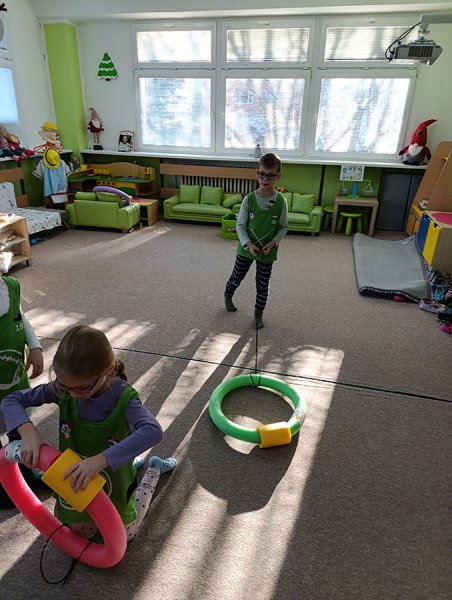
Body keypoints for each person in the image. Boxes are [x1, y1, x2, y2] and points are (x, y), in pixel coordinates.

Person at [0, 324, 177, 541]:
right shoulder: (63, 389)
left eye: (81, 388)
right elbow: (10, 401)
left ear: (106, 373)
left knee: (125, 535)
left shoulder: (124, 398)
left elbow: (153, 431)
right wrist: (28, 432)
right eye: (64, 385)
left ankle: (153, 471)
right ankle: (132, 462)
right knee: (76, 530)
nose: (72, 394)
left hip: (113, 475)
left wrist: (99, 461)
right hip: (78, 479)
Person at [0, 251, 44, 509]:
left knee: (19, 428)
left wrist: (35, 346)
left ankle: (26, 473)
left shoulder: (11, 287)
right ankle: (4, 483)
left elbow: (20, 317)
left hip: (13, 377)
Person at [224, 153, 288, 329]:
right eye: (262, 174)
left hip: (267, 251)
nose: (265, 179)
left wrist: (274, 243)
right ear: (257, 173)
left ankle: (258, 314)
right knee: (237, 276)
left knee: (262, 284)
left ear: (278, 176)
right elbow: (240, 225)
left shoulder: (281, 202)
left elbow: (283, 227)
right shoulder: (249, 199)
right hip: (246, 249)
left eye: (270, 175)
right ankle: (228, 295)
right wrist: (248, 244)